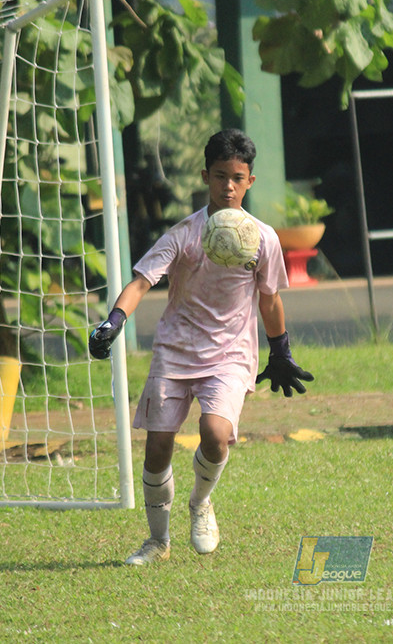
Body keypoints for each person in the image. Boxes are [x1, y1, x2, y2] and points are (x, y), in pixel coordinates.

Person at [88, 129, 313, 565]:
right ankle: (157, 541)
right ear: (205, 176)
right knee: (157, 448)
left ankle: (200, 502)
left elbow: (269, 299)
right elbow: (141, 282)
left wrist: (280, 351)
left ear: (250, 181)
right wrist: (114, 321)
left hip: (229, 354)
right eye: (220, 176)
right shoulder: (184, 234)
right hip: (174, 350)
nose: (228, 186)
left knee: (215, 435)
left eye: (237, 177)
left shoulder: (263, 239)